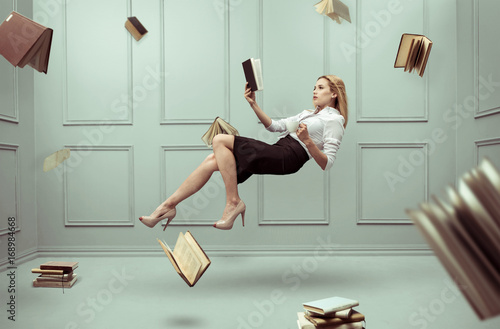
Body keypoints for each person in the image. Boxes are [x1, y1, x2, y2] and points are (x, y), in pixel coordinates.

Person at [139, 75, 348, 231]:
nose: (314, 91)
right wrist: (253, 104)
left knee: (219, 139)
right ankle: (168, 206)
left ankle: (233, 202)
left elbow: (327, 163)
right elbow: (275, 126)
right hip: (280, 148)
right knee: (212, 159)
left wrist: (309, 142)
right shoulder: (308, 113)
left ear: (334, 93)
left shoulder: (335, 120)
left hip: (290, 157)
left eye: (320, 87)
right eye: (314, 87)